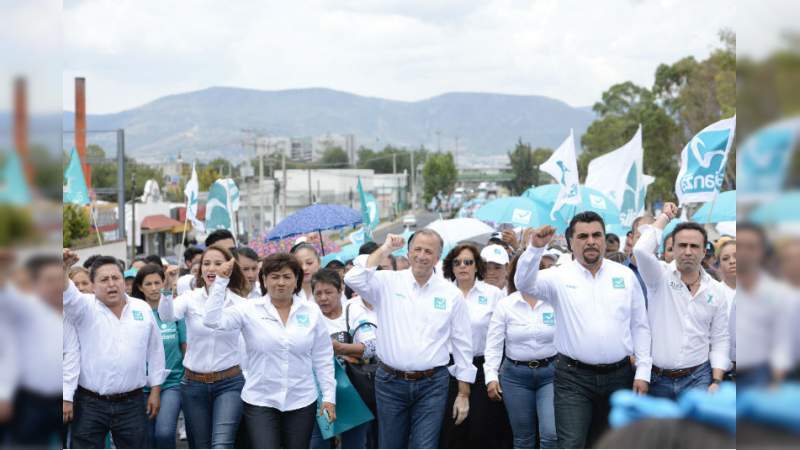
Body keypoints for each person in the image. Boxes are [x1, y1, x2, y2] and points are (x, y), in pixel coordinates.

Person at [514, 214, 652, 449]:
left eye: (596, 235)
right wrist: (535, 249)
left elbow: (640, 326)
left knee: (616, 444)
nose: (591, 241)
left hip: (620, 376)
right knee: (572, 444)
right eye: (583, 236)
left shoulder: (625, 276)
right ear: (571, 243)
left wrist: (643, 372)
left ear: (604, 239)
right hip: (573, 379)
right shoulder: (558, 276)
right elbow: (524, 284)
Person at [344, 230, 476, 449]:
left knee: (425, 446)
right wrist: (385, 249)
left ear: (437, 258)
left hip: (432, 384)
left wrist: (463, 393)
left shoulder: (450, 294)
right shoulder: (387, 281)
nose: (422, 256)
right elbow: (352, 277)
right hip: (389, 382)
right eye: (418, 249)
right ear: (408, 252)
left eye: (428, 252)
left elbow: (463, 345)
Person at [203, 253, 336, 449]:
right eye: (274, 277)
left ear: (296, 280)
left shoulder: (311, 311)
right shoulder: (248, 309)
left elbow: (323, 357)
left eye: (287, 276)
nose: (280, 282)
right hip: (260, 399)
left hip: (301, 399)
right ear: (264, 279)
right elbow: (211, 320)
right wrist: (221, 281)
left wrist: (328, 398)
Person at [62, 251, 166, 449]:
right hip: (90, 403)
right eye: (104, 279)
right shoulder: (84, 307)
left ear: (124, 280)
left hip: (133, 402)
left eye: (116, 277)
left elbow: (155, 351)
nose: (111, 283)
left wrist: (155, 390)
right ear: (92, 285)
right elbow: (68, 295)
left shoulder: (141, 308)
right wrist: (63, 269)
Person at [632, 204, 730, 400]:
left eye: (694, 246)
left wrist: (716, 380)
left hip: (698, 379)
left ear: (704, 252)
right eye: (682, 246)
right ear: (673, 249)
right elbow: (641, 250)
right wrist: (665, 217)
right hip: (657, 379)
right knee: (661, 432)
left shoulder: (717, 290)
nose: (688, 251)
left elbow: (720, 338)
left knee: (694, 432)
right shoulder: (658, 276)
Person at [158, 245, 250, 449]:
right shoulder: (190, 298)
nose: (211, 268)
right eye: (206, 263)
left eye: (218, 264)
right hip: (193, 384)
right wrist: (166, 288)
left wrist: (221, 285)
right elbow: (166, 316)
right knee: (201, 445)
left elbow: (212, 319)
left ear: (229, 268)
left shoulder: (241, 304)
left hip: (229, 383)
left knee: (221, 445)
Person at [439, 243, 511, 448]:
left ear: (477, 266)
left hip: (483, 367)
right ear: (451, 267)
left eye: (468, 262)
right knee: (453, 429)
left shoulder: (493, 294)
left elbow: (502, 335)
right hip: (449, 370)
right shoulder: (442, 294)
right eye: (457, 262)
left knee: (482, 429)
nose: (463, 266)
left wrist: (494, 373)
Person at [485, 250, 557, 449]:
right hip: (515, 377)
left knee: (551, 434)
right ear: (515, 274)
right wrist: (491, 376)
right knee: (523, 437)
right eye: (523, 270)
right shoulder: (505, 305)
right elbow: (494, 344)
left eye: (533, 270)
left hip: (550, 374)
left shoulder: (553, 302)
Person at [309, 269, 377, 449]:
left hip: (353, 392)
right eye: (318, 293)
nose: (323, 298)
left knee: (354, 444)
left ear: (340, 290)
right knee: (317, 444)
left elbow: (371, 347)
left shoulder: (353, 310)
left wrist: (339, 348)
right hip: (319, 394)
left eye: (328, 292)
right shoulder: (308, 317)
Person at [131, 264, 187, 448]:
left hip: (172, 383)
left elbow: (185, 347)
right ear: (140, 287)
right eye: (148, 283)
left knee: (163, 433)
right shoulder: (134, 313)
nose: (154, 288)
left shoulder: (175, 311)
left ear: (164, 283)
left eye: (157, 282)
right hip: (141, 386)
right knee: (146, 438)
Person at [735, 223, 794, 387]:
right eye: (739, 246)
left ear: (761, 251)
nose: (744, 252)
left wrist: (776, 379)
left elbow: (783, 341)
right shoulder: (720, 290)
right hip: (726, 375)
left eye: (751, 247)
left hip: (759, 376)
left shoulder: (779, 293)